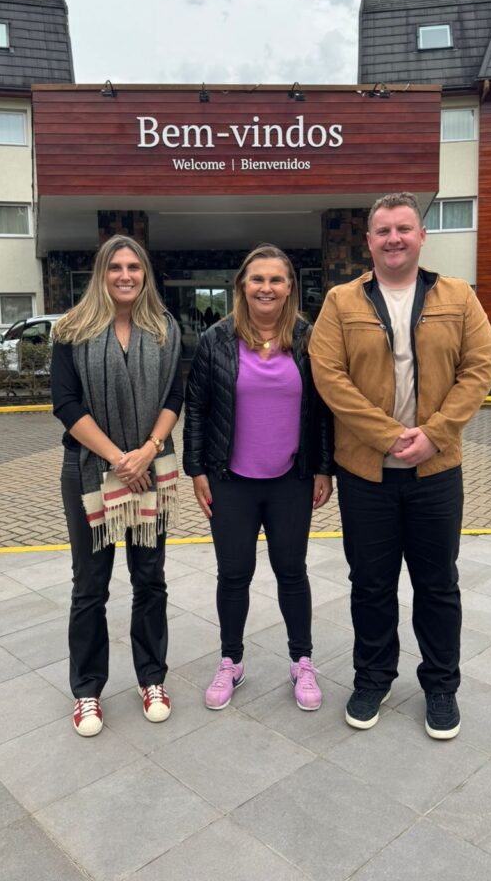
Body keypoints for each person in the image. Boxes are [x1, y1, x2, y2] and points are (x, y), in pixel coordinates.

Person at [309, 193, 491, 738]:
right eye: (383, 230)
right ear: (369, 242)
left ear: (421, 236)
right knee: (370, 584)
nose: (394, 238)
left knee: (438, 585)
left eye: (404, 229)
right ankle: (373, 678)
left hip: (436, 472)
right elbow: (329, 377)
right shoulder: (342, 302)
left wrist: (434, 436)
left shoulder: (458, 297)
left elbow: (479, 368)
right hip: (366, 474)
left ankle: (441, 686)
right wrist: (388, 436)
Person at [183, 244, 334, 712]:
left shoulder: (311, 338)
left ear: (290, 286)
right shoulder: (216, 340)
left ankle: (302, 661)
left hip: (292, 477)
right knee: (234, 574)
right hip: (230, 480)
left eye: (276, 279)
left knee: (292, 573)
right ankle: (231, 660)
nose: (266, 288)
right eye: (257, 279)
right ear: (241, 286)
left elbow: (326, 409)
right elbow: (198, 409)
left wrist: (324, 466)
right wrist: (196, 471)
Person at [51, 235, 183, 736]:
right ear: (101, 274)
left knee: (150, 579)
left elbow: (176, 394)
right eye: (115, 267)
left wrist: (147, 451)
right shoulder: (72, 331)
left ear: (145, 274)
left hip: (150, 467)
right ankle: (87, 691)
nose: (125, 275)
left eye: (134, 267)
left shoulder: (165, 329)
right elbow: (65, 404)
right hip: (89, 470)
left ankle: (152, 678)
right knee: (90, 586)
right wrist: (117, 459)